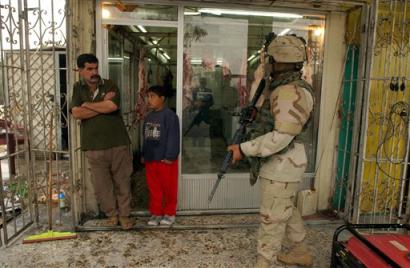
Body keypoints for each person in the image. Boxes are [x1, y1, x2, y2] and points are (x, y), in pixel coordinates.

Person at [228, 34, 314, 267]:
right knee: (286, 209)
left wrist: (244, 149)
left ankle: (264, 263)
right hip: (282, 165)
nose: (267, 65)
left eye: (269, 61)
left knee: (272, 218)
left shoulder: (289, 92)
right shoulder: (281, 88)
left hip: (282, 165)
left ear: (278, 62)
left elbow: (281, 137)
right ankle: (301, 251)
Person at [70, 53, 134, 230]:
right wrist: (101, 105)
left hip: (118, 143)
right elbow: (76, 113)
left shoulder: (110, 84)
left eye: (95, 68)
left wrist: (87, 105)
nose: (94, 72)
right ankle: (112, 214)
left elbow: (112, 106)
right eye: (89, 69)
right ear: (80, 70)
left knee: (123, 181)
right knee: (101, 185)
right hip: (93, 146)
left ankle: (124, 215)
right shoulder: (78, 88)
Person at [142, 85, 180, 226]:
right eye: (148, 96)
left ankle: (169, 213)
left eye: (152, 96)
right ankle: (156, 213)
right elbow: (145, 137)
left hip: (165, 160)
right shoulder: (149, 116)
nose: (149, 100)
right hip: (151, 159)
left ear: (162, 98)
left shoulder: (170, 116)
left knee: (169, 188)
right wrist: (144, 154)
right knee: (154, 188)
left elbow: (173, 137)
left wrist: (170, 156)